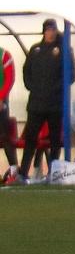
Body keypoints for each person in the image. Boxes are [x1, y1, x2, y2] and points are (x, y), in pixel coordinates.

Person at [22, 18, 73, 182]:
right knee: (30, 139)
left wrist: (56, 89)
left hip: (54, 104)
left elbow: (71, 75)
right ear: (43, 32)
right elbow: (26, 71)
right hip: (36, 104)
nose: (50, 33)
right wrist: (32, 86)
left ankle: (54, 173)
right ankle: (23, 173)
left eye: (53, 30)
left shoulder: (64, 50)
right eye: (48, 30)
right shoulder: (35, 49)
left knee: (55, 140)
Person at [1, 45, 18, 184]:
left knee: (4, 136)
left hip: (1, 104)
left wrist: (1, 98)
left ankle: (14, 171)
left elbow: (10, 79)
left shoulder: (4, 55)